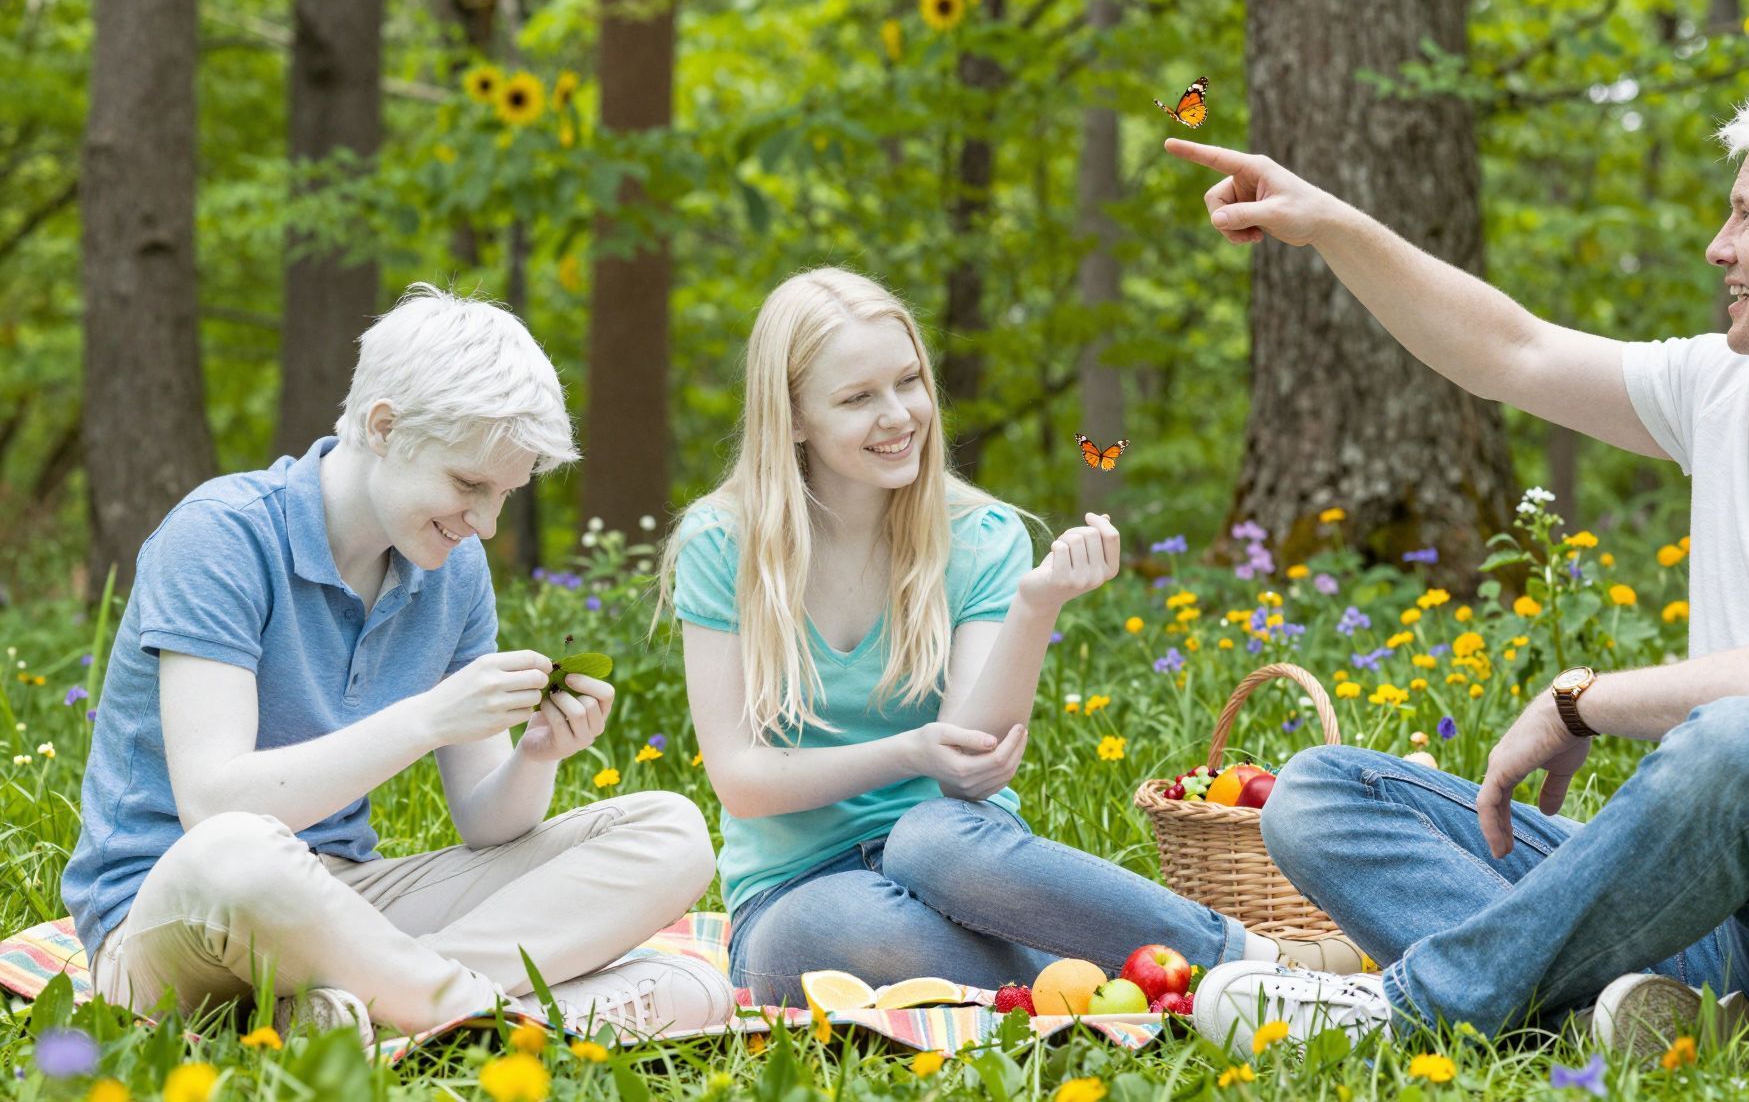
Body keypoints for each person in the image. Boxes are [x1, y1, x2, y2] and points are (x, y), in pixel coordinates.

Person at [1169, 81, 1749, 1060]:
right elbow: (1513, 350)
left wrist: (1577, 700)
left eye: (1746, 216)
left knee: (1746, 743)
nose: (1718, 246)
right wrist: (1329, 225)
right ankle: (1655, 1011)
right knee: (1321, 797)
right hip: (1719, 910)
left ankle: (1422, 1007)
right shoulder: (1733, 388)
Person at [658, 267, 1364, 1006]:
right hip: (800, 891)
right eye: (858, 397)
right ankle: (1132, 973)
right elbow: (740, 778)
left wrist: (1037, 604)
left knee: (927, 837)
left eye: (908, 381)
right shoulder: (725, 544)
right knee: (823, 933)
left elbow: (969, 774)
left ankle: (1259, 961)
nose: (899, 415)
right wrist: (906, 751)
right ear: (793, 416)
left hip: (964, 862)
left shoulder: (979, 536)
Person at [61, 285, 733, 1042]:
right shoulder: (221, 537)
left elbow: (488, 821)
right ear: (384, 427)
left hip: (350, 903)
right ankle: (480, 1016)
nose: (484, 523)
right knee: (236, 852)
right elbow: (214, 808)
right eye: (469, 484)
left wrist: (539, 756)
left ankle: (358, 1012)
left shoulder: (452, 567)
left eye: (506, 494)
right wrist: (426, 719)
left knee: (671, 833)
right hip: (178, 915)